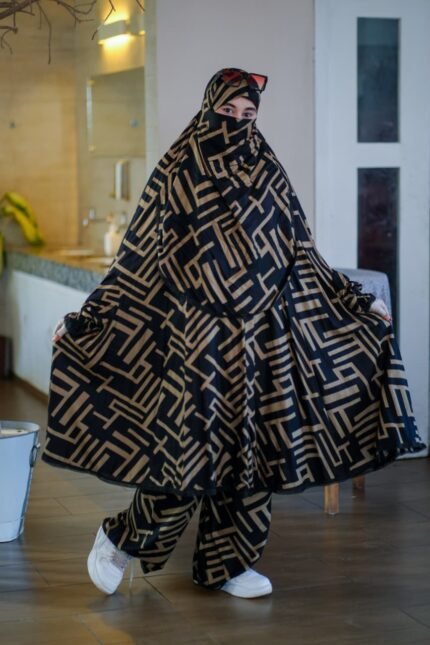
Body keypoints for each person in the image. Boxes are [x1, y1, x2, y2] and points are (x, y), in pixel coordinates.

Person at [43, 67, 427, 600]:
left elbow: (302, 253)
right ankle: (120, 540)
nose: (237, 123)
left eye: (248, 114)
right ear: (208, 110)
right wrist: (90, 318)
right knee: (188, 455)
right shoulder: (178, 171)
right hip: (194, 339)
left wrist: (355, 301)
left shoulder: (269, 171)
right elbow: (136, 257)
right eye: (227, 112)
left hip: (259, 338)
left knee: (252, 453)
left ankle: (228, 562)